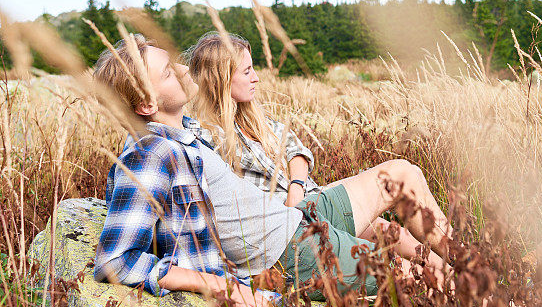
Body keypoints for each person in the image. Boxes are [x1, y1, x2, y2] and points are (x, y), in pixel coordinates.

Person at [92, 35, 451, 307]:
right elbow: (115, 260)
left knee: (402, 173)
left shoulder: (183, 132)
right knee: (416, 272)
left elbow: (290, 147)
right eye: (170, 72)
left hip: (299, 216)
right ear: (146, 105)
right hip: (288, 251)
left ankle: (474, 270)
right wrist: (226, 287)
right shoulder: (149, 154)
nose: (185, 71)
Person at [185, 32, 447, 274]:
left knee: (394, 234)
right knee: (401, 179)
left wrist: (296, 185)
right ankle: (462, 266)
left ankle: (462, 275)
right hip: (290, 227)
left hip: (308, 201)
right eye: (247, 71)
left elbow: (294, 147)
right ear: (219, 79)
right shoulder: (207, 139)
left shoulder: (251, 117)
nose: (256, 77)